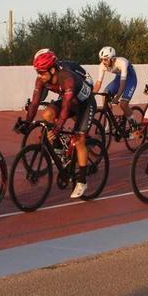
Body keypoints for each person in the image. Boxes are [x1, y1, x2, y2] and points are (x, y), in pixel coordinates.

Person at [22, 50, 96, 199]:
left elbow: (66, 108)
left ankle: (81, 181)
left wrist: (57, 128)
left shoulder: (66, 78)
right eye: (37, 72)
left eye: (42, 72)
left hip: (84, 105)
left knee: (78, 140)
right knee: (47, 114)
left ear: (52, 69)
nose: (40, 76)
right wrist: (26, 123)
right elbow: (35, 102)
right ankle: (59, 149)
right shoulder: (42, 79)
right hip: (69, 100)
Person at [92, 46, 137, 119]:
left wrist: (117, 97)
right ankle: (111, 121)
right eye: (101, 59)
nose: (103, 62)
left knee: (123, 104)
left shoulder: (122, 62)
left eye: (106, 59)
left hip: (130, 79)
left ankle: (133, 124)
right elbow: (98, 83)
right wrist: (91, 95)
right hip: (119, 78)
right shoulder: (102, 65)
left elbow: (122, 84)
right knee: (105, 95)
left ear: (112, 59)